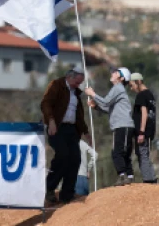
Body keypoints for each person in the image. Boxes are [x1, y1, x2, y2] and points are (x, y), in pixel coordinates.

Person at [41, 64, 89, 204]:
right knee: (62, 155)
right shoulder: (56, 85)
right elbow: (45, 103)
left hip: (72, 130)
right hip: (56, 127)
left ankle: (67, 194)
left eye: (80, 83)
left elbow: (79, 115)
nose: (78, 85)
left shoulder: (76, 94)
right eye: (76, 82)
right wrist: (50, 121)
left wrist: (86, 132)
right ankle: (49, 188)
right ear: (69, 77)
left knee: (75, 159)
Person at [86, 67, 135, 186]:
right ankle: (129, 176)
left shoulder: (118, 88)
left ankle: (123, 176)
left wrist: (92, 94)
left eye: (116, 72)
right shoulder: (117, 89)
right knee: (123, 153)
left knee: (117, 153)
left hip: (123, 125)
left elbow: (106, 102)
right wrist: (96, 107)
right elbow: (109, 108)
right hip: (122, 126)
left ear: (121, 78)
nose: (113, 73)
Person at [129, 72, 158, 184]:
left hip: (143, 131)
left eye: (132, 85)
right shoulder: (150, 94)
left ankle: (148, 179)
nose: (131, 88)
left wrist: (141, 132)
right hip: (150, 130)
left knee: (142, 154)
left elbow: (144, 113)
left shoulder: (141, 95)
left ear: (138, 82)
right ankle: (152, 177)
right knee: (144, 153)